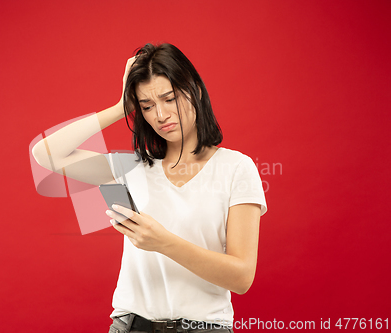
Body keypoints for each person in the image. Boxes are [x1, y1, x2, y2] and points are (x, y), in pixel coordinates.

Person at [32, 43, 267, 333]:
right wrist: (120, 107)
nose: (160, 115)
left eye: (169, 98)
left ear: (195, 90)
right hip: (130, 326)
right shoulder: (132, 167)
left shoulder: (236, 168)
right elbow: (45, 154)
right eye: (147, 106)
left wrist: (163, 243)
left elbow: (242, 277)